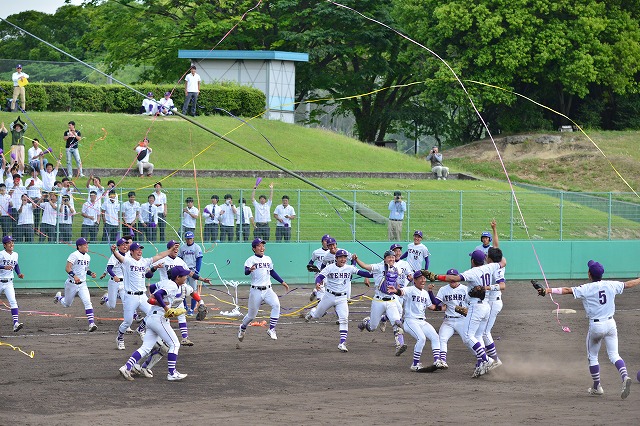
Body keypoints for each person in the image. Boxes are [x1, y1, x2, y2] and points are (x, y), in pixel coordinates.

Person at [533, 260, 639, 399]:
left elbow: (566, 290)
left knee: (593, 356)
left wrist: (547, 290)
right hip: (611, 324)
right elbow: (628, 284)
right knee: (614, 355)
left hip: (596, 327)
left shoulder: (586, 288)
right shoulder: (611, 284)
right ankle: (625, 376)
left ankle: (597, 386)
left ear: (589, 274)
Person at [431, 249, 507, 378]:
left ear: (472, 261)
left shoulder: (473, 272)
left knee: (467, 336)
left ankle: (487, 360)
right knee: (478, 336)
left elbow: (454, 278)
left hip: (476, 307)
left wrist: (436, 277)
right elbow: (503, 261)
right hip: (486, 306)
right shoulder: (490, 266)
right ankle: (481, 364)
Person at [118, 265, 194, 382]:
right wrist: (166, 308)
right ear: (177, 277)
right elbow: (158, 294)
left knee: (146, 347)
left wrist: (157, 300)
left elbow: (153, 289)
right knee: (175, 344)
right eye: (184, 275)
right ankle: (172, 373)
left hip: (151, 318)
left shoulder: (166, 283)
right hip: (159, 319)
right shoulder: (173, 286)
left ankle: (126, 367)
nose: (186, 277)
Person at [304, 249, 373, 352]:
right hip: (329, 296)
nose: (343, 259)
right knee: (317, 315)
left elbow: (365, 273)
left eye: (345, 257)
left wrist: (381, 273)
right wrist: (318, 283)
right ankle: (312, 312)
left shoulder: (350, 268)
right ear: (336, 258)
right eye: (341, 257)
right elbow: (320, 277)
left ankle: (342, 343)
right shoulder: (329, 268)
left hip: (342, 299)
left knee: (344, 319)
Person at [110, 242, 173, 351]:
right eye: (137, 249)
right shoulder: (128, 261)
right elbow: (119, 257)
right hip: (130, 297)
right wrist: (114, 251)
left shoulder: (144, 262)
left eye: (141, 249)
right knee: (128, 322)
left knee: (152, 314)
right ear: (132, 252)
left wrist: (170, 250)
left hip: (142, 296)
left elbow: (159, 256)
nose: (140, 251)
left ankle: (141, 329)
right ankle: (120, 337)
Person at [152, 239, 211, 346]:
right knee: (161, 315)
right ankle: (145, 330)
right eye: (174, 247)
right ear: (169, 248)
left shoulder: (180, 261)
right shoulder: (162, 259)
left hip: (177, 290)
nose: (176, 249)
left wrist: (202, 279)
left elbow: (190, 273)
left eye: (177, 247)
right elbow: (149, 273)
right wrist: (154, 268)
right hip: (165, 290)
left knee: (181, 314)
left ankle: (185, 338)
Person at [355, 250, 407, 356]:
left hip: (391, 301)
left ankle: (399, 345)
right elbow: (365, 266)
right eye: (389, 257)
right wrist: (356, 259)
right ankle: (366, 323)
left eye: (393, 257)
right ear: (385, 259)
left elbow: (395, 282)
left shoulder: (395, 269)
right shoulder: (378, 267)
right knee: (372, 327)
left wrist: (398, 291)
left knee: (397, 322)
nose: (391, 259)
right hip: (378, 301)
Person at [237, 238, 289, 342]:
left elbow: (272, 272)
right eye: (259, 246)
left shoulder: (268, 259)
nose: (262, 248)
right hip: (256, 291)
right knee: (251, 315)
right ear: (254, 248)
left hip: (268, 289)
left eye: (263, 245)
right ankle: (242, 327)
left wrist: (282, 282)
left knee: (276, 305)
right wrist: (249, 269)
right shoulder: (250, 260)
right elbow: (246, 271)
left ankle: (272, 329)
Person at [397, 271, 444, 371]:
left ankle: (437, 361)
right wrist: (396, 290)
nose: (423, 280)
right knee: (421, 338)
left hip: (422, 321)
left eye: (424, 278)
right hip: (410, 321)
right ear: (415, 280)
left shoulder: (425, 293)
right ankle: (415, 364)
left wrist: (443, 308)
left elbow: (431, 307)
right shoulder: (410, 290)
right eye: (420, 278)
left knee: (435, 337)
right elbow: (401, 292)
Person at [53, 238, 98, 332]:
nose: (87, 246)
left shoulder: (88, 257)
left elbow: (85, 269)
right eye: (85, 245)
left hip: (83, 284)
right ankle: (59, 297)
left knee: (88, 302)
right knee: (67, 304)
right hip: (71, 284)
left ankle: (91, 323)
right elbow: (67, 268)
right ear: (79, 246)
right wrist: (74, 276)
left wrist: (91, 273)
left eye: (87, 244)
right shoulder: (74, 255)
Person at [428, 268, 469, 369]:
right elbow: (436, 303)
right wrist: (430, 292)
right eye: (450, 279)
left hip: (462, 320)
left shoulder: (465, 289)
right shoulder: (443, 289)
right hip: (448, 321)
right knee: (442, 339)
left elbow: (472, 303)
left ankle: (482, 359)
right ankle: (442, 361)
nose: (452, 281)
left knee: (468, 340)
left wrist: (469, 310)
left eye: (454, 277)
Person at [0, 235, 25, 332]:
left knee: (13, 302)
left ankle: (15, 323)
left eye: (12, 242)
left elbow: (16, 265)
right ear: (4, 245)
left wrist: (19, 273)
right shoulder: (1, 254)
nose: (11, 244)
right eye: (9, 242)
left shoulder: (15, 254)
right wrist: (3, 267)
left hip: (9, 282)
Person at [178, 231, 204, 316]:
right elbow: (180, 258)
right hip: (184, 271)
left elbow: (199, 259)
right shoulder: (182, 248)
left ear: (193, 238)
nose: (189, 240)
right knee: (183, 290)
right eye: (187, 239)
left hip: (192, 270)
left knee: (193, 290)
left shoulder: (197, 247)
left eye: (190, 238)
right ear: (185, 239)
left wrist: (197, 271)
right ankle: (185, 307)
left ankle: (192, 309)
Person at [100, 237, 129, 310]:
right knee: (111, 306)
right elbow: (109, 268)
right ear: (118, 247)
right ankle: (106, 297)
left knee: (127, 301)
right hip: (114, 281)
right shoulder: (114, 256)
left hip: (124, 282)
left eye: (126, 244)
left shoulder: (129, 255)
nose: (125, 246)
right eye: (122, 245)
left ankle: (135, 316)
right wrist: (113, 275)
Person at [307, 234, 331, 302]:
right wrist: (310, 267)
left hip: (329, 274)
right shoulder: (316, 252)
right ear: (322, 242)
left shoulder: (333, 252)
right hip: (319, 274)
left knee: (328, 291)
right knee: (321, 290)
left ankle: (315, 292)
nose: (327, 242)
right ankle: (320, 309)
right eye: (325, 240)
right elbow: (311, 262)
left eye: (328, 241)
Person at [24, 167, 43, 232]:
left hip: (37, 199)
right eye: (33, 172)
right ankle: (30, 227)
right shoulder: (28, 180)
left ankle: (36, 228)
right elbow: (25, 189)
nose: (34, 173)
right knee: (29, 213)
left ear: (38, 173)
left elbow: (40, 190)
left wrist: (40, 198)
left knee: (37, 215)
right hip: (30, 199)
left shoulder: (40, 181)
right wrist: (30, 185)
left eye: (35, 172)